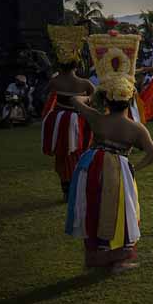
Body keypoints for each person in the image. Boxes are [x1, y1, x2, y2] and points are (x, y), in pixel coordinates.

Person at [65, 33, 153, 272]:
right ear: (130, 100)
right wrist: (135, 168)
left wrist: (94, 94)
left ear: (107, 100)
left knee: (94, 207)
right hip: (118, 168)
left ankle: (94, 257)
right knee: (118, 210)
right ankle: (115, 259)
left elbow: (75, 101)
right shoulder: (136, 128)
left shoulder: (97, 119)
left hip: (92, 164)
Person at [42, 25, 95, 201]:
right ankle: (75, 188)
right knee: (77, 153)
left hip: (58, 120)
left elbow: (45, 95)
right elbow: (97, 100)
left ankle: (67, 189)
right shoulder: (85, 84)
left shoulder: (54, 81)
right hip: (77, 122)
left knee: (62, 156)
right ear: (77, 63)